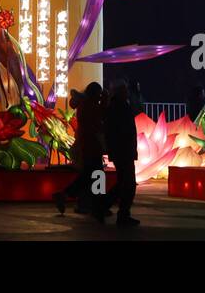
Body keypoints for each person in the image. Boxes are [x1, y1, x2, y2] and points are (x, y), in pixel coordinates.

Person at [53, 82, 105, 217]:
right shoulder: (91, 106)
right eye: (99, 94)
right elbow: (97, 122)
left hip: (86, 145)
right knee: (94, 175)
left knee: (89, 175)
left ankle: (86, 203)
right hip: (91, 145)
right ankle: (69, 196)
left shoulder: (83, 105)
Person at [101, 81, 140, 225]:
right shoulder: (121, 107)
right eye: (125, 90)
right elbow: (124, 131)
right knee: (128, 183)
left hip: (121, 150)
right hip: (124, 150)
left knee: (123, 182)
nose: (127, 93)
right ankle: (122, 213)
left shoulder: (115, 107)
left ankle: (105, 206)